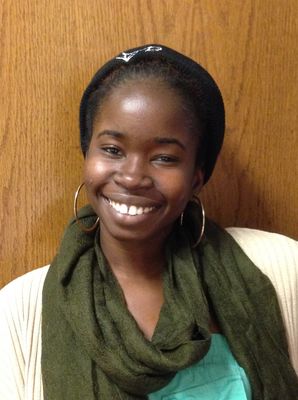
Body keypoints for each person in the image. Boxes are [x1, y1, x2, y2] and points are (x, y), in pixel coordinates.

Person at [0, 44, 297, 400]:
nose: (132, 176)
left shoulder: (278, 266)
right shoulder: (19, 311)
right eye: (112, 149)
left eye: (164, 157)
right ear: (87, 154)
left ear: (197, 179)